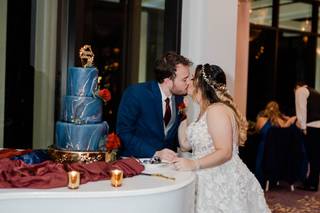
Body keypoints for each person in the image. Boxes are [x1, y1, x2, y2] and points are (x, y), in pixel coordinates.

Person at [174, 64, 270, 212]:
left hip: (220, 178)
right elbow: (185, 145)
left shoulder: (216, 110)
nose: (188, 82)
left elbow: (225, 152)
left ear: (201, 84)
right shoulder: (205, 112)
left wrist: (193, 164)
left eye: (191, 78)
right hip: (205, 174)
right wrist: (182, 113)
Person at [116, 51, 192, 161]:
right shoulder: (136, 93)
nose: (189, 82)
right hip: (135, 163)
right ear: (167, 81)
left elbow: (172, 135)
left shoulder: (180, 98)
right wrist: (155, 153)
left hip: (167, 166)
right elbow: (124, 133)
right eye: (184, 79)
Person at [295, 82, 320, 191]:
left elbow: (301, 109)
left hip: (311, 126)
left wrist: (303, 127)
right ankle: (313, 183)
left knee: (312, 156)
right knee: (316, 156)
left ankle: (311, 184)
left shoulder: (300, 91)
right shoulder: (315, 92)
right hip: (318, 126)